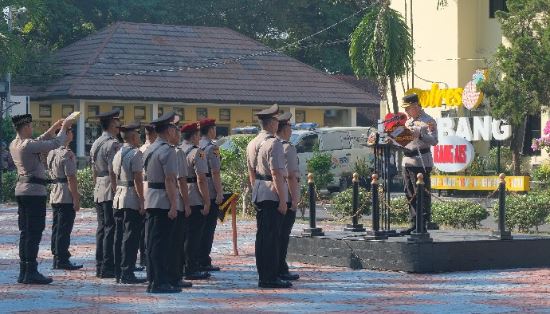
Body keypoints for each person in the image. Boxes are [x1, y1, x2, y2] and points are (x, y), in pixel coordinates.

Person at [10, 114, 73, 284]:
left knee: (25, 233)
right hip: (34, 192)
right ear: (25, 128)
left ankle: (25, 271)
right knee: (34, 232)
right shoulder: (28, 144)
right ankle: (31, 272)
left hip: (22, 191)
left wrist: (53, 129)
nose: (32, 129)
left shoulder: (15, 144)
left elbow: (39, 140)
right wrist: (64, 126)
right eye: (30, 126)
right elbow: (54, 144)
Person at [246, 104, 291, 289]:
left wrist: (255, 189)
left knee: (262, 237)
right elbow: (276, 173)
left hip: (259, 190)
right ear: (272, 123)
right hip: (271, 193)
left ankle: (264, 274)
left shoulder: (253, 142)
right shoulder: (274, 143)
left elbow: (251, 171)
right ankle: (270, 277)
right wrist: (282, 199)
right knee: (272, 238)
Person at [143, 112, 180, 293]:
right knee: (162, 244)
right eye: (174, 127)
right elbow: (170, 180)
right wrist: (174, 205)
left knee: (152, 243)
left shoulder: (150, 148)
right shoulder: (167, 150)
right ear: (169, 130)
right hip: (162, 200)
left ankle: (153, 279)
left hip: (151, 197)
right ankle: (160, 281)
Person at [111, 122, 147, 284]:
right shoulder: (135, 153)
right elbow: (138, 179)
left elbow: (112, 175)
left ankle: (119, 271)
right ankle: (128, 272)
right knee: (131, 238)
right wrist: (142, 200)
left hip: (119, 196)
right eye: (138, 134)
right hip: (131, 197)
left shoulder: (118, 152)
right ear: (133, 136)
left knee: (119, 236)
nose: (139, 137)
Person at [400, 93, 438, 235]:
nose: (406, 111)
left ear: (416, 106)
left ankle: (423, 222)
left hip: (421, 161)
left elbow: (434, 140)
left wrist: (421, 135)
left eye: (408, 108)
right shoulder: (407, 121)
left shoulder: (428, 121)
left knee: (421, 193)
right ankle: (414, 222)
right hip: (407, 161)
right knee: (409, 192)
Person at [90, 109, 122, 278]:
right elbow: (113, 170)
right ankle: (108, 266)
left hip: (99, 187)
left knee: (102, 227)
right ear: (111, 123)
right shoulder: (113, 144)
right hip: (110, 187)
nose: (119, 124)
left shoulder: (96, 143)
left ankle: (100, 264)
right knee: (111, 228)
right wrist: (117, 190)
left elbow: (93, 169)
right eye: (116, 121)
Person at [47, 127, 83, 271]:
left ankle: (57, 257)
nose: (72, 134)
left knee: (57, 227)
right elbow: (71, 178)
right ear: (66, 134)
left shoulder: (51, 152)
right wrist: (76, 198)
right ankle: (62, 259)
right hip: (65, 194)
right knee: (64, 229)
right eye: (70, 131)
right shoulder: (67, 153)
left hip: (55, 192)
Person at [180, 122, 211, 280]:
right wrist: (206, 201)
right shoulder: (197, 152)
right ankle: (191, 268)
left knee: (182, 234)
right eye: (198, 135)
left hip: (181, 193)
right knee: (194, 235)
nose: (200, 138)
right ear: (193, 136)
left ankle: (182, 266)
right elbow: (201, 179)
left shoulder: (178, 150)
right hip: (194, 195)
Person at [165, 123, 193, 289]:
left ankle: (167, 274)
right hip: (175, 199)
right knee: (176, 242)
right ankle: (175, 276)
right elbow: (182, 180)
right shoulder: (176, 152)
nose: (178, 134)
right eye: (176, 131)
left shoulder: (156, 149)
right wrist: (186, 203)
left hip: (159, 199)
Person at [275, 112, 300, 282]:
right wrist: (295, 198)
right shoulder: (287, 147)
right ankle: (281, 268)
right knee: (282, 236)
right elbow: (291, 176)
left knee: (275, 235)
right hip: (287, 194)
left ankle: (277, 266)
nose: (292, 130)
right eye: (290, 126)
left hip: (274, 193)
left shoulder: (271, 145)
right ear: (285, 129)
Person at [198, 118, 223, 272]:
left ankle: (196, 258)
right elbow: (215, 172)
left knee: (198, 227)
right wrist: (219, 192)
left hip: (196, 190)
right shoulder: (212, 148)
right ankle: (204, 259)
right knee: (208, 229)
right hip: (209, 190)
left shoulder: (197, 145)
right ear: (211, 130)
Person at [137, 124, 157, 270]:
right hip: (152, 189)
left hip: (142, 189)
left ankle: (143, 257)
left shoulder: (141, 149)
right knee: (150, 228)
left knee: (143, 228)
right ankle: (147, 257)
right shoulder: (154, 149)